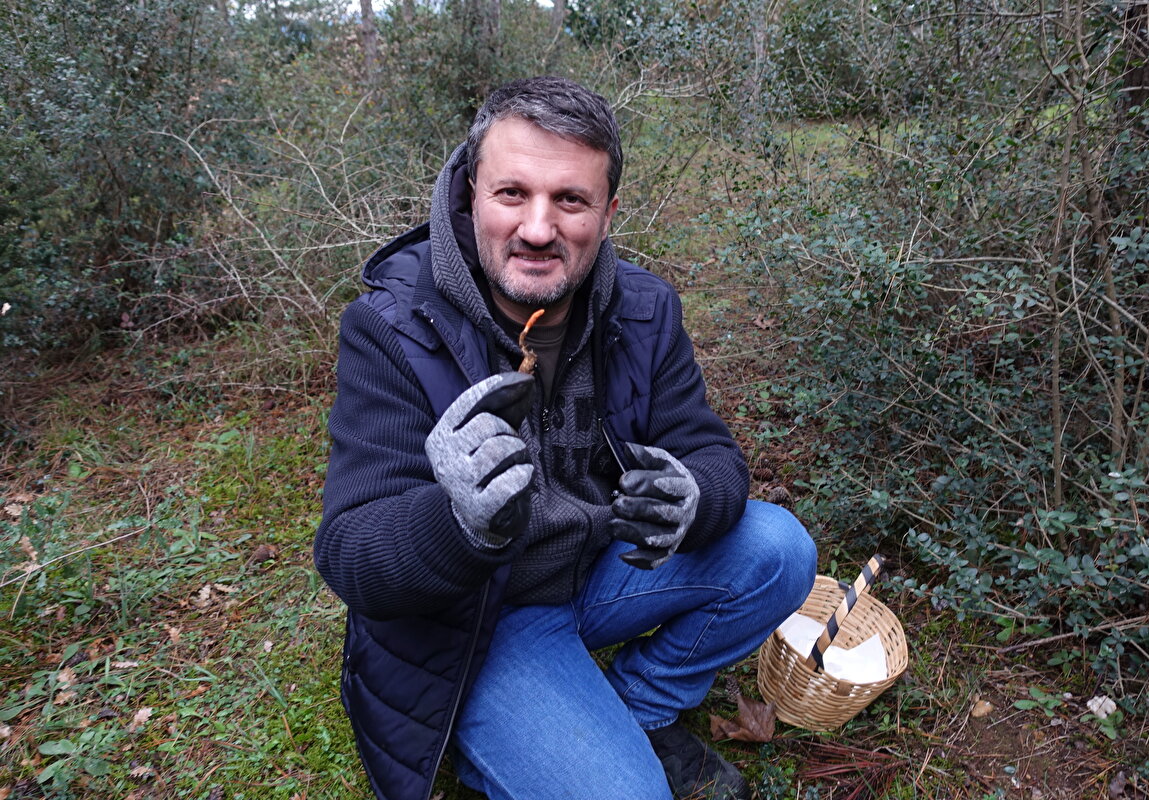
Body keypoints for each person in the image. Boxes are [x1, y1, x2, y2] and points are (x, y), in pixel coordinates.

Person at [314, 76, 817, 800]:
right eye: (511, 193)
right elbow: (351, 553)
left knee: (779, 549)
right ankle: (520, 726)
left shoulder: (643, 309)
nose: (537, 229)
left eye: (571, 200)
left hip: (597, 569)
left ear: (608, 213)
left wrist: (693, 496)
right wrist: (457, 521)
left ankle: (641, 705)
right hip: (482, 619)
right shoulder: (394, 329)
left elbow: (710, 452)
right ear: (471, 194)